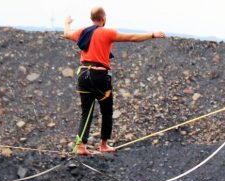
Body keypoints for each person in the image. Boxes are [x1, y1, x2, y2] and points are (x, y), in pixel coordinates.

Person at [62, 7, 166, 156]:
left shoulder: (82, 32)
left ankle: (81, 146)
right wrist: (152, 34)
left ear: (92, 18)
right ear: (103, 18)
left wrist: (67, 22)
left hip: (83, 75)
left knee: (86, 112)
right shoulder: (107, 32)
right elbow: (132, 38)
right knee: (106, 111)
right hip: (99, 76)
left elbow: (66, 33)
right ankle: (103, 145)